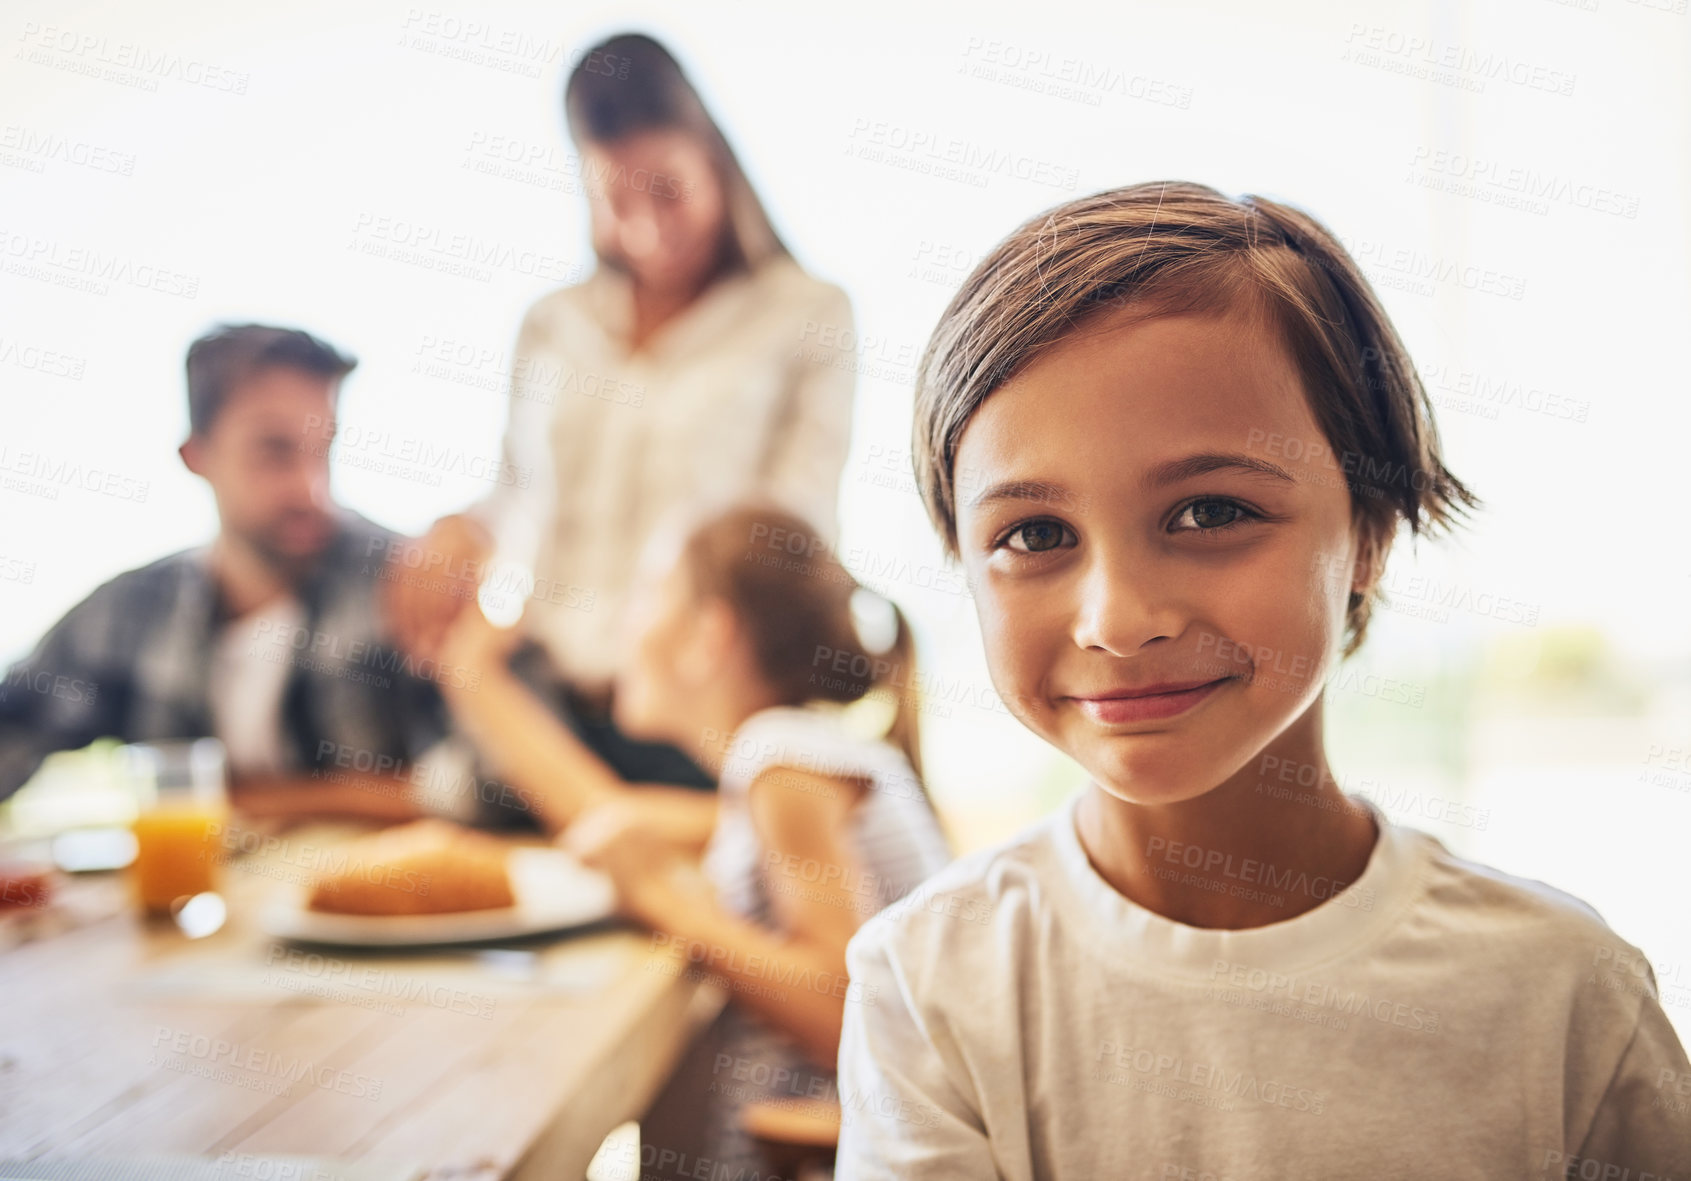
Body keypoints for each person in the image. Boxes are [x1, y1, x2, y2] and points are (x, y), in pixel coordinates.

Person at [834, 182, 1691, 1177]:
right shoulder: (929, 980)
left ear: (1368, 529)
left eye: (1208, 512)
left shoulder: (1559, 992)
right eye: (1033, 533)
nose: (1115, 618)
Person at [388, 32, 858, 794]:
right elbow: (519, 491)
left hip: (704, 718)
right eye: (614, 199)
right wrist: (465, 529)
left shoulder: (806, 314)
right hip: (547, 702)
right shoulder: (551, 323)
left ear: (714, 157)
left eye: (667, 190)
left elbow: (794, 526)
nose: (643, 228)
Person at [433, 504, 952, 1177]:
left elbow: (838, 1008)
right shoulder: (794, 758)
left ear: (710, 634)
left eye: (649, 592)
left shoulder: (781, 757)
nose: (625, 621)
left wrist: (660, 898)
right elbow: (614, 816)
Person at [0, 323, 456, 821]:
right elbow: (14, 729)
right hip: (191, 896)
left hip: (382, 890)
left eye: (322, 449)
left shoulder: (403, 584)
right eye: (274, 451)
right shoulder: (129, 614)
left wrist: (255, 800)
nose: (311, 489)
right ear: (197, 456)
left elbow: (489, 781)